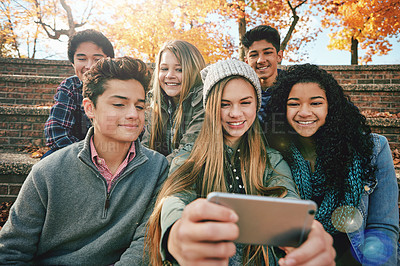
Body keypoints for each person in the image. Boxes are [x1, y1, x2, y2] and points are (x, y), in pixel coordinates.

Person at [146, 59, 336, 266]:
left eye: (245, 102)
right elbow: (175, 198)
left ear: (257, 104)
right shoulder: (188, 158)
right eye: (224, 104)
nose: (235, 113)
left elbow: (288, 201)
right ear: (209, 107)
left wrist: (303, 234)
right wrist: (175, 231)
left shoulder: (272, 159)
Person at [0, 57, 168, 265]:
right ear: (90, 108)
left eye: (140, 106)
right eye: (119, 104)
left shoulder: (158, 168)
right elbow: (11, 252)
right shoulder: (48, 172)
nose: (134, 114)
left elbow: (145, 244)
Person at [263, 63, 399, 265]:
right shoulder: (273, 154)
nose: (304, 112)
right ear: (282, 108)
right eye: (294, 104)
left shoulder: (373, 149)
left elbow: (383, 226)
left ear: (330, 107)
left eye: (315, 103)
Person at [43, 29, 115, 158]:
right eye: (82, 59)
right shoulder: (70, 87)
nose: (89, 66)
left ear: (109, 62)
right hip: (75, 152)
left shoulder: (119, 88)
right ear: (73, 63)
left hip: (114, 154)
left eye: (97, 59)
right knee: (48, 160)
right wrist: (87, 157)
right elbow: (56, 132)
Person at [141, 40, 206, 163]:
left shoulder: (203, 101)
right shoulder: (158, 103)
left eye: (179, 70)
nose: (170, 75)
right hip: (163, 174)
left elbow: (188, 152)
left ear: (193, 71)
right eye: (164, 69)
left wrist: (151, 173)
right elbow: (145, 148)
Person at [241, 25, 284, 124]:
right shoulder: (241, 91)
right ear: (247, 61)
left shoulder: (294, 87)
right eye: (254, 55)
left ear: (279, 56)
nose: (261, 60)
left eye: (268, 53)